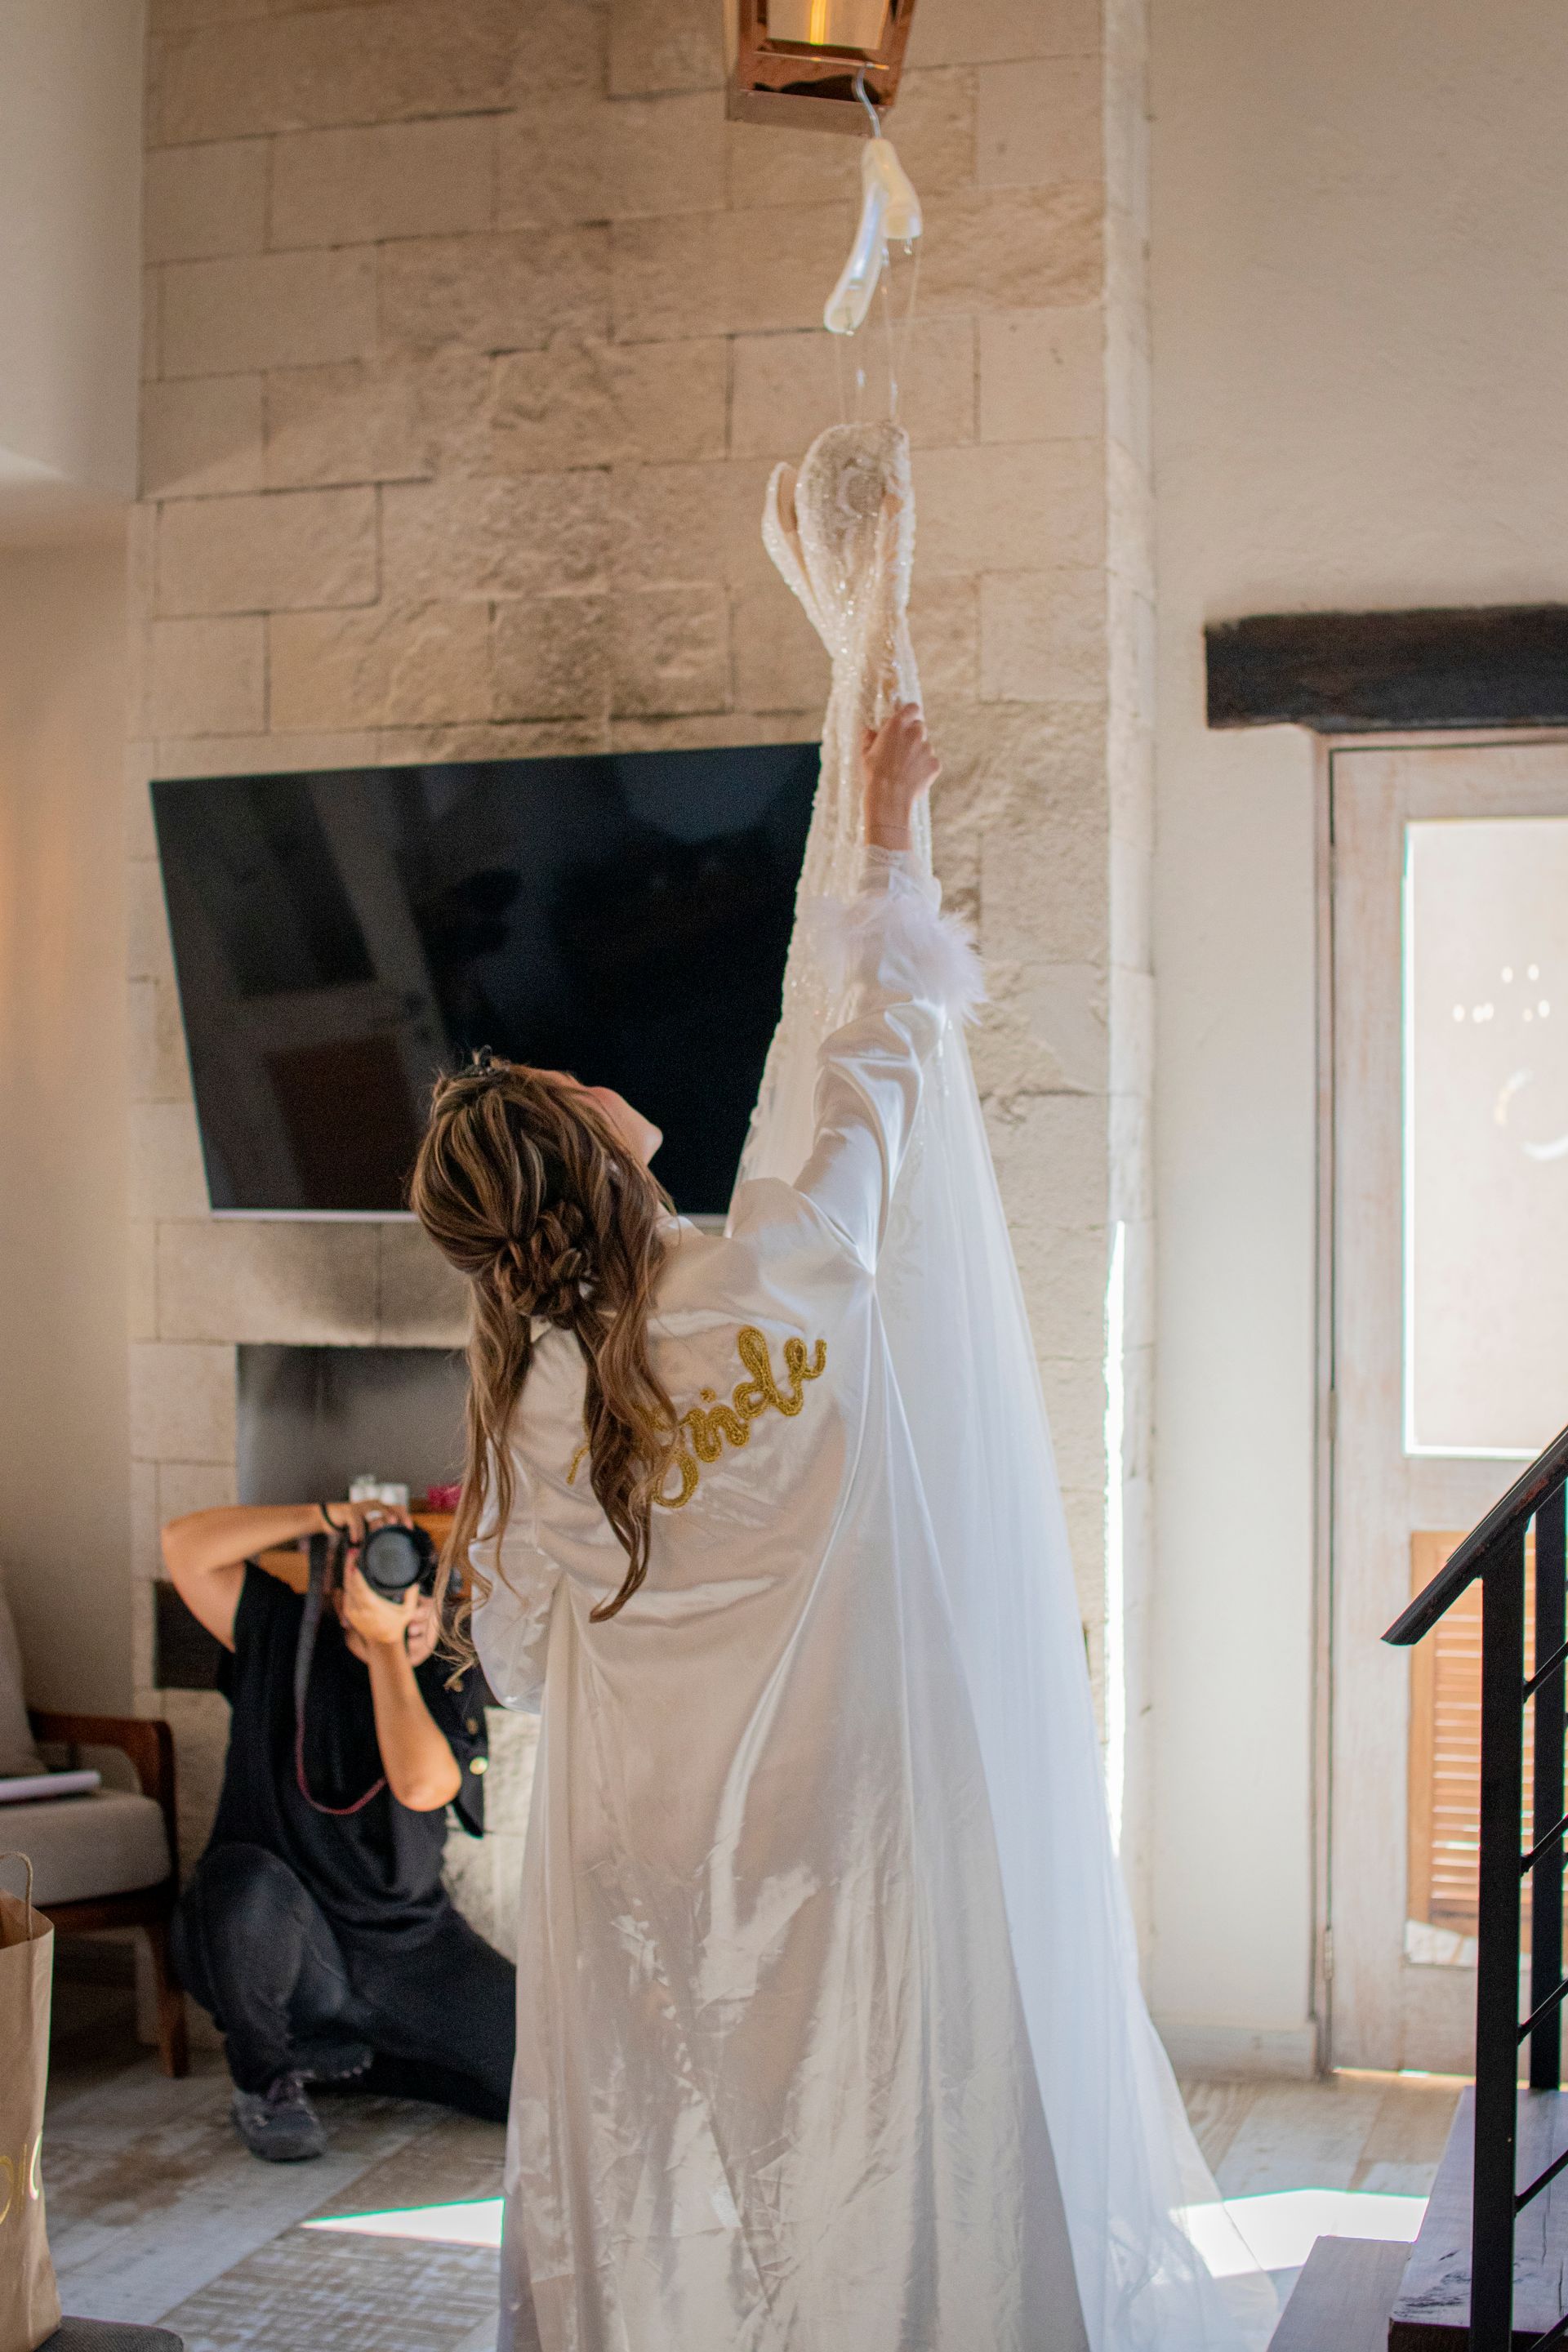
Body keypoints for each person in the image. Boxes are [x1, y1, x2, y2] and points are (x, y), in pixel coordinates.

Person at [410, 706, 1089, 2351]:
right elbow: (881, 1059)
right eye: (582, 1083)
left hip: (636, 1835)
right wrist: (881, 831)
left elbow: (507, 1667)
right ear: (592, 1153)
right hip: (838, 1798)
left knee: (658, 2151)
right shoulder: (785, 1270)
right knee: (854, 2108)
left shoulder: (530, 1410)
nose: (604, 1074)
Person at [162, 1500, 516, 2162]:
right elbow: (184, 1544)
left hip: (410, 1948)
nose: (393, 1591)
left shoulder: (446, 1670)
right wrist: (326, 1516)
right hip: (282, 1941)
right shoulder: (279, 1630)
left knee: (535, 2072)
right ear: (339, 1580)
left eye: (409, 1578)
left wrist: (391, 1652)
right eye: (376, 1573)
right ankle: (267, 2083)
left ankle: (356, 2065)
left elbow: (422, 1785)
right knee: (245, 1889)